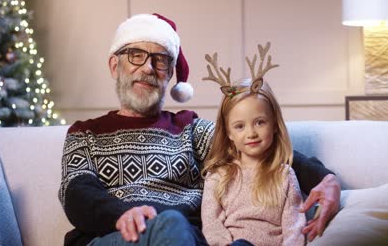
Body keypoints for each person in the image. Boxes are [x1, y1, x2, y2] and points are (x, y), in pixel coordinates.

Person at [58, 13, 340, 246]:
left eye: (160, 60)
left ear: (170, 74)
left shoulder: (189, 128)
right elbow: (76, 193)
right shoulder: (85, 133)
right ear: (114, 66)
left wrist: (324, 179)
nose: (148, 68)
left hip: (186, 238)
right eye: (136, 55)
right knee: (169, 223)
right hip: (113, 237)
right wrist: (121, 214)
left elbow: (257, 146)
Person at [201, 69, 306, 245]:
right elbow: (212, 224)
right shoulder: (218, 176)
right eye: (240, 126)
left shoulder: (284, 176)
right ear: (229, 133)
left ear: (274, 124)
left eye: (259, 122)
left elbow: (294, 227)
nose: (251, 133)